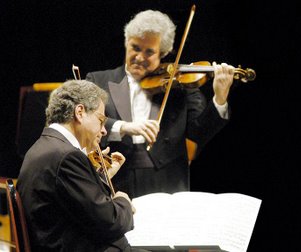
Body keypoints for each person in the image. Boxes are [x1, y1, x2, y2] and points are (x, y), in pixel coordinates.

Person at [86, 10, 235, 199]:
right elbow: (85, 123)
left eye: (149, 52)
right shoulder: (98, 80)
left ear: (162, 53)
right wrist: (124, 127)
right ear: (126, 42)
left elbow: (200, 131)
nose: (140, 57)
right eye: (135, 48)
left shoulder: (179, 86)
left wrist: (220, 98)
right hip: (116, 178)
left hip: (167, 181)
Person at [17, 80, 148, 252]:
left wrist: (102, 177)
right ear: (80, 112)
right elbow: (111, 222)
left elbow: (78, 206)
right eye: (101, 120)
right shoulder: (66, 156)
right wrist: (123, 200)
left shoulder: (47, 147)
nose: (104, 131)